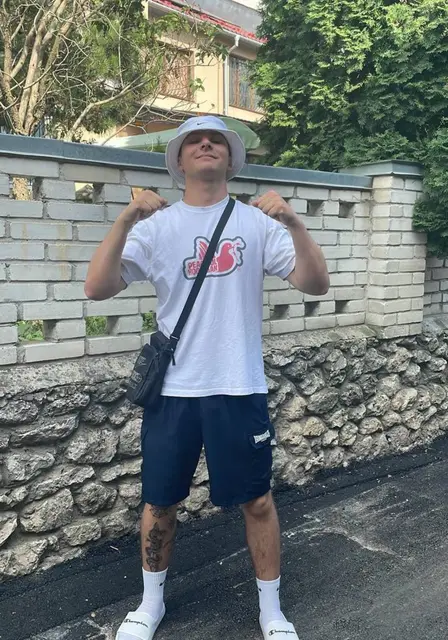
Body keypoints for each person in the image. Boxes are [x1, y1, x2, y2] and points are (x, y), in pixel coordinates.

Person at [85, 115, 329, 640]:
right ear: (178, 160)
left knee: (257, 500)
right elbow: (97, 288)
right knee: (159, 502)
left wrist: (295, 223)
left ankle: (271, 611)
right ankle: (150, 605)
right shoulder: (156, 226)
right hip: (173, 392)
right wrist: (125, 219)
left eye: (216, 139)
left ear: (230, 157)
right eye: (194, 140)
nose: (205, 145)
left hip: (239, 386)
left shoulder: (257, 223)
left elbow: (315, 284)